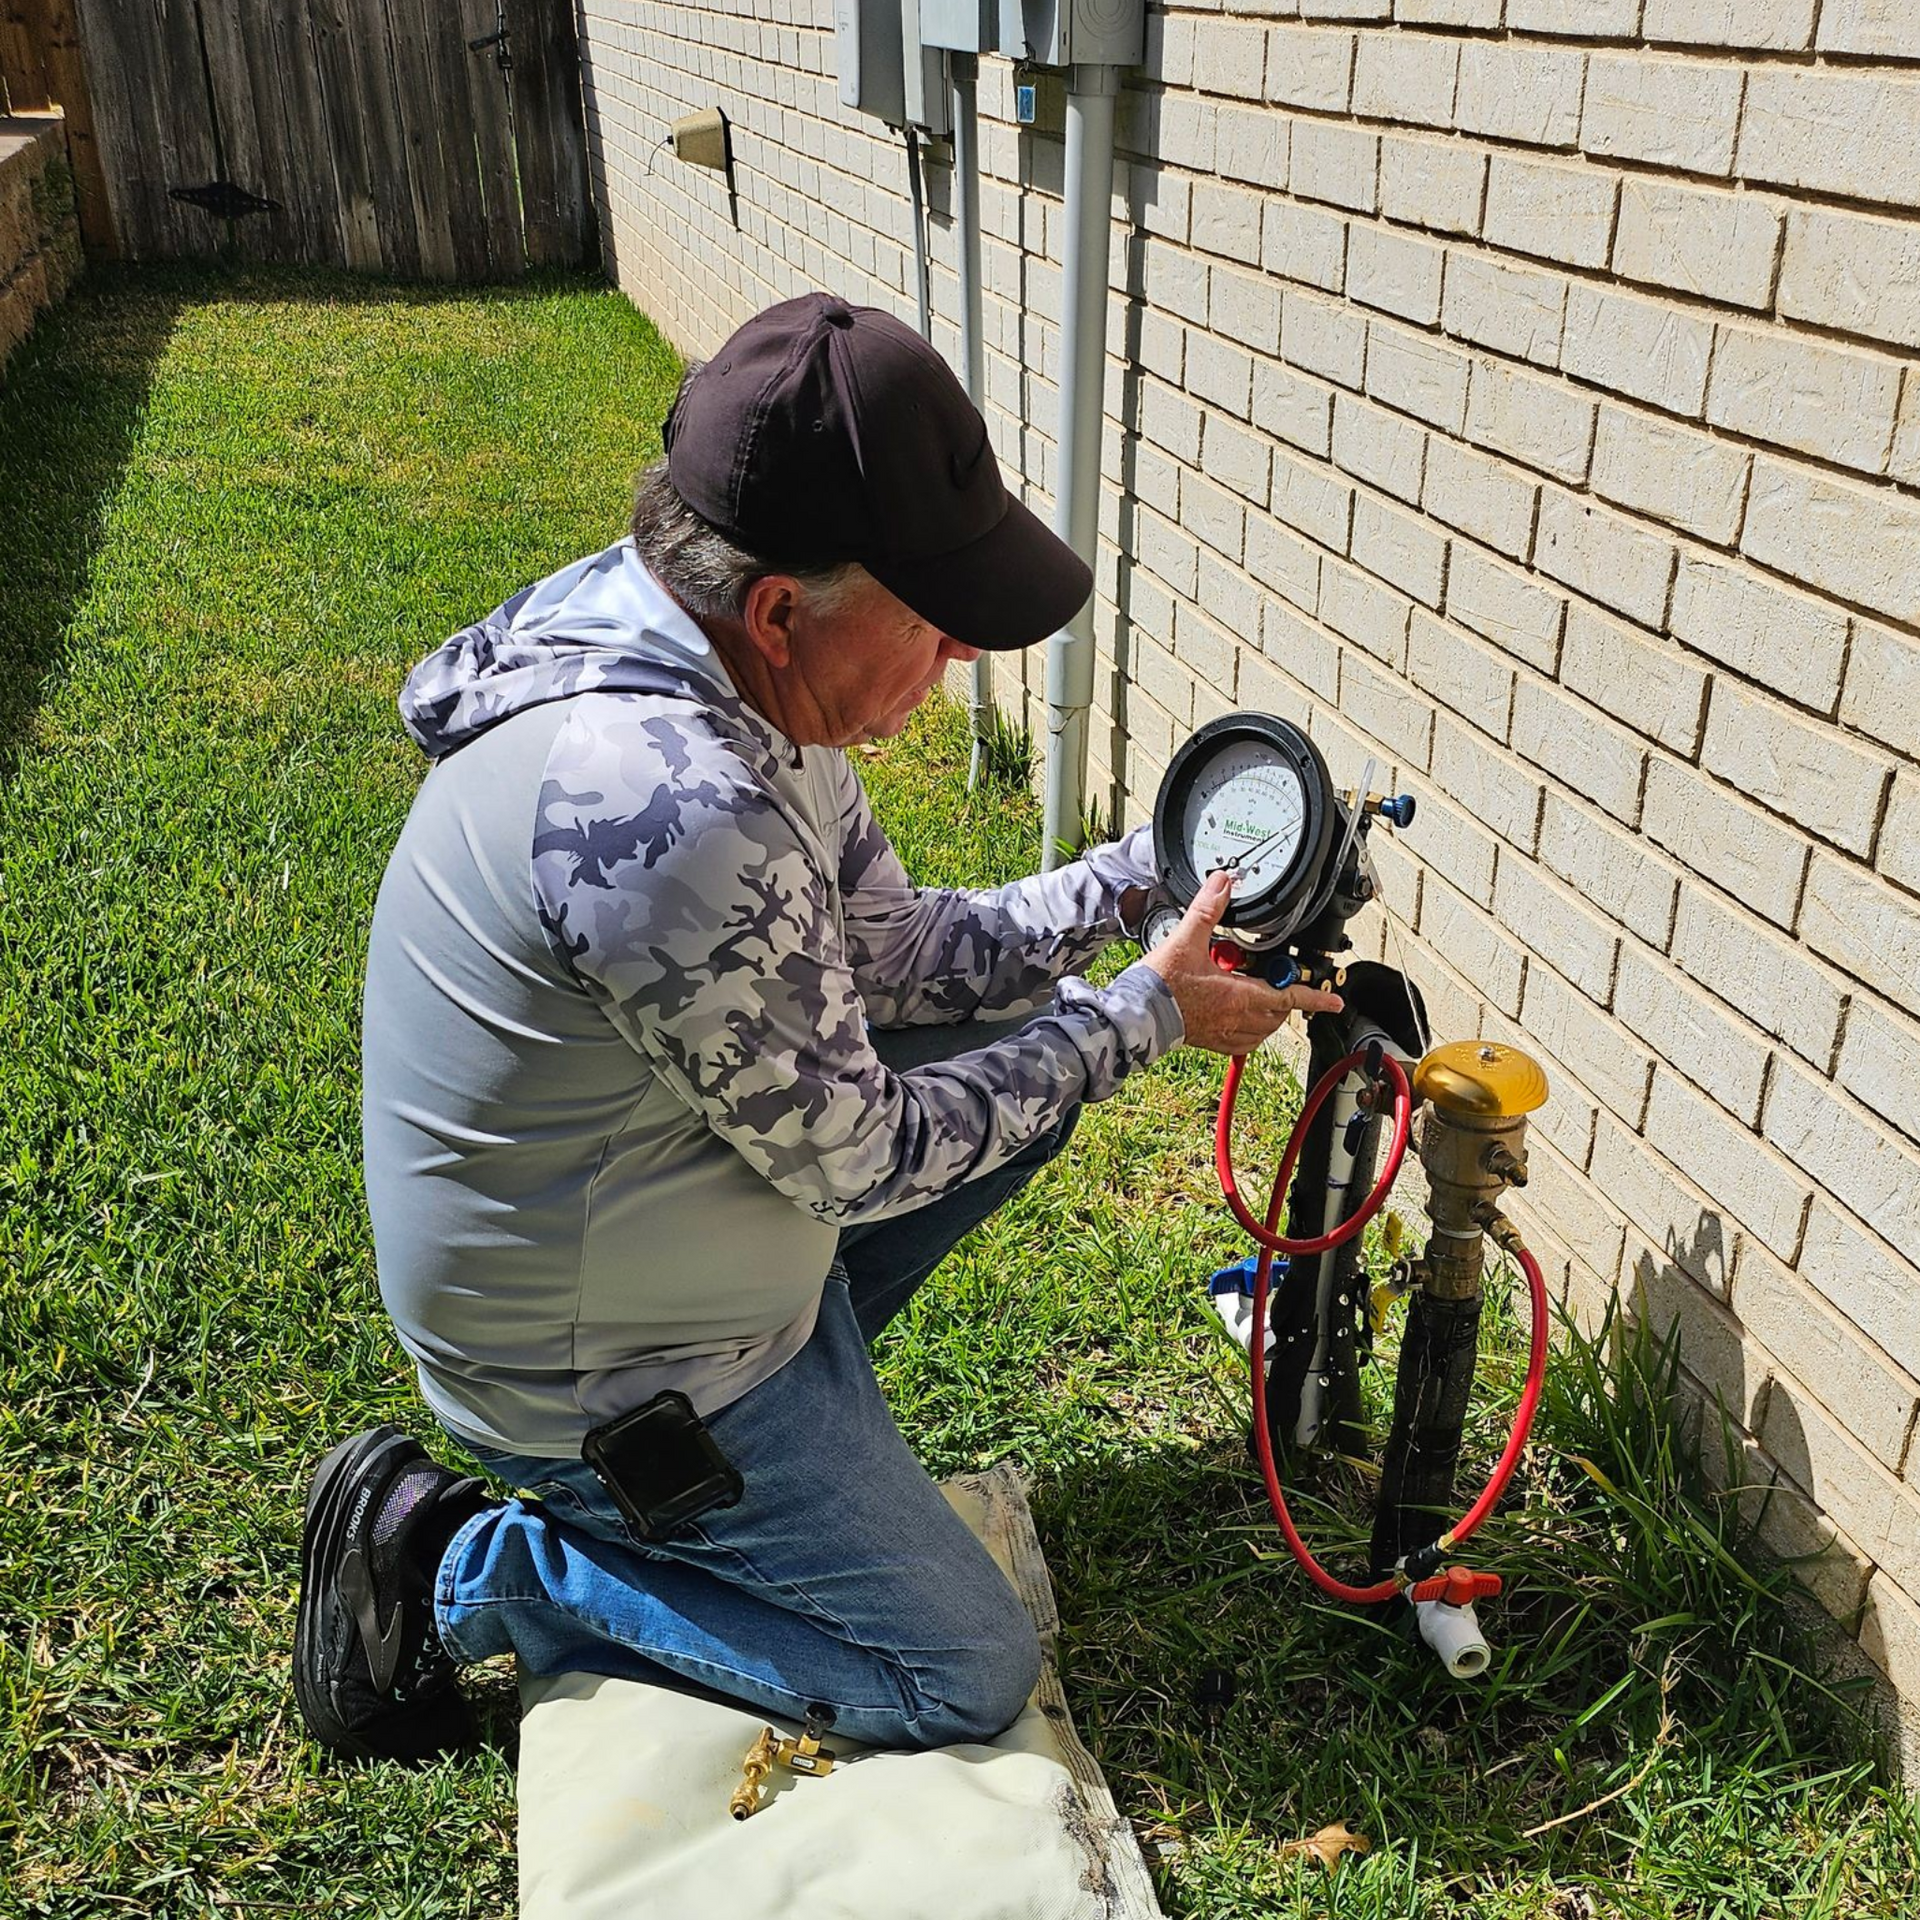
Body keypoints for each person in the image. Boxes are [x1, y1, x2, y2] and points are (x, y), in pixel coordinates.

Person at [291, 292, 1340, 1764]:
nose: (961, 661)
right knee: (957, 1674)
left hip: (650, 1234)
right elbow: (861, 1159)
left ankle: (801, 1418)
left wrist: (1137, 882)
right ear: (784, 609)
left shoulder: (712, 662)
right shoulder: (667, 802)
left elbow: (900, 958)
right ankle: (459, 1554)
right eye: (935, 625)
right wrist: (1149, 1016)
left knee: (1031, 1053)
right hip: (602, 1386)